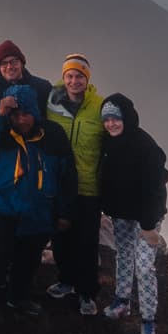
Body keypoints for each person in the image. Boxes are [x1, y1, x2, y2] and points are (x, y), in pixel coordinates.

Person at [0, 84, 76, 334]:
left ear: (35, 113)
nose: (20, 119)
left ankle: (18, 297)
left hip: (39, 209)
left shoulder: (53, 135)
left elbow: (67, 174)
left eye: (25, 113)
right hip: (3, 207)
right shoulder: (0, 131)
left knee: (28, 260)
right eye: (15, 114)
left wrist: (64, 212)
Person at [99, 93, 168, 334]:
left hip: (146, 217)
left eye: (115, 118)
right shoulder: (108, 144)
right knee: (124, 256)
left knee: (144, 265)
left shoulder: (144, 145)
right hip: (122, 214)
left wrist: (150, 226)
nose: (111, 124)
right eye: (106, 119)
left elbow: (156, 187)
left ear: (127, 118)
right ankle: (122, 302)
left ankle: (148, 322)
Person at [45, 53, 105, 315]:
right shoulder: (52, 104)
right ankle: (66, 280)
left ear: (87, 79)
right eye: (69, 76)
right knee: (60, 238)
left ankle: (87, 292)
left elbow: (117, 134)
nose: (73, 81)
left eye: (79, 76)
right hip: (59, 184)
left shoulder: (100, 107)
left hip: (88, 187)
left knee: (87, 241)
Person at [0, 40, 51, 118]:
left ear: (22, 63)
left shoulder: (43, 88)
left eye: (14, 61)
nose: (9, 67)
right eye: (4, 63)